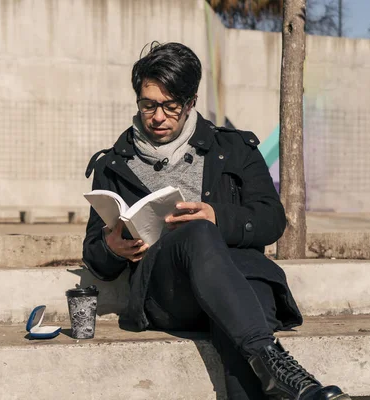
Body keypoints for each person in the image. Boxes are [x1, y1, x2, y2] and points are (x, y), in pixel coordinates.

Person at [82, 42, 350, 400]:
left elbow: (272, 219)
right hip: (168, 294)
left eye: (170, 106)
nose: (157, 116)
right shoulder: (113, 164)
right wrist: (113, 248)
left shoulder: (234, 148)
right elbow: (94, 256)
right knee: (198, 235)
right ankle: (279, 366)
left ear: (191, 102)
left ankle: (274, 371)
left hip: (238, 283)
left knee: (240, 304)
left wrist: (218, 216)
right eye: (148, 105)